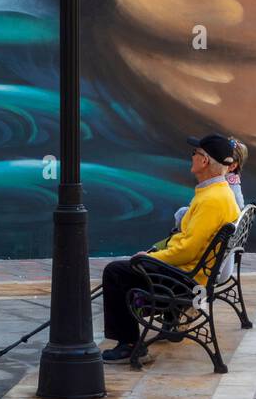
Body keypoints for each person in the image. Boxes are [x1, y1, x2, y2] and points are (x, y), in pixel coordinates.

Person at [101, 133, 240, 364]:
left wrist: (150, 258)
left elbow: (186, 251)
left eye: (195, 153)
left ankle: (129, 344)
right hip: (193, 274)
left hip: (187, 282)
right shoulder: (215, 192)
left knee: (115, 272)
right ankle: (169, 317)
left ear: (204, 161)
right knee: (128, 268)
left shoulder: (212, 200)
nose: (192, 157)